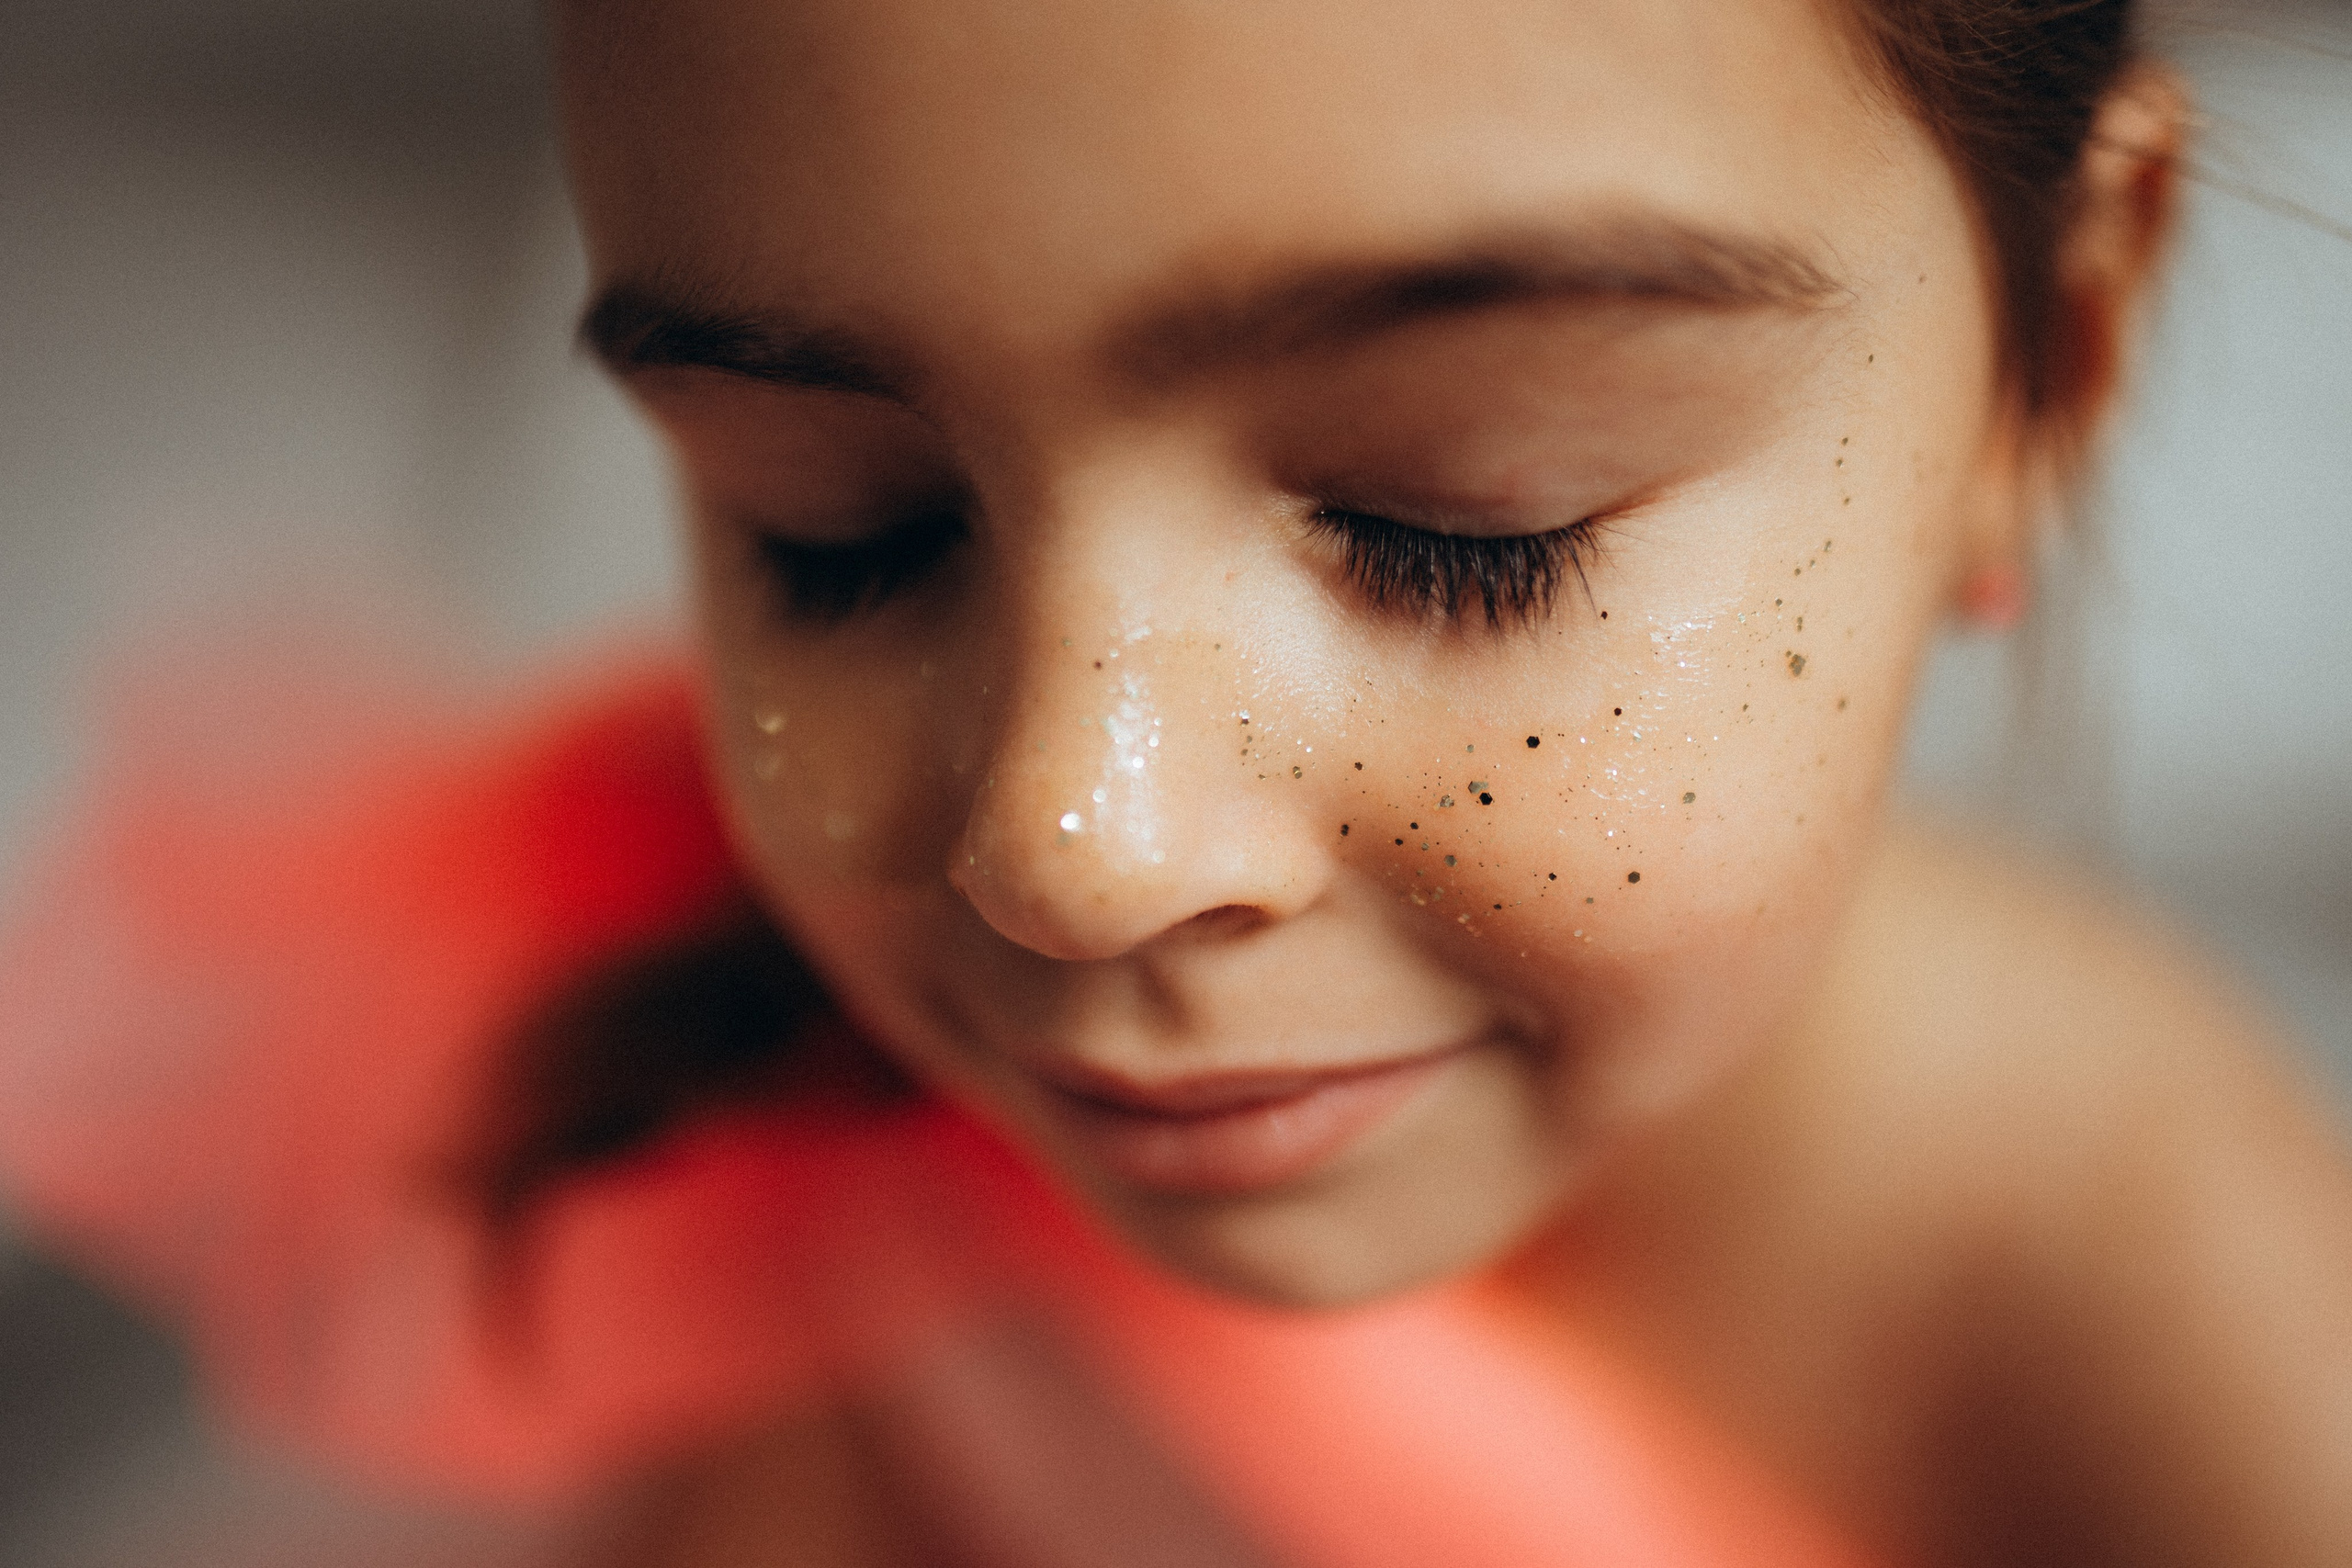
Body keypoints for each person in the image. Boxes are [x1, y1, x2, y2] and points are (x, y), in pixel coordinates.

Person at [4, 0, 2349, 1563]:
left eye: (1459, 529)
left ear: (2054, 352)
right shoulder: (829, 1131)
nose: (1067, 841)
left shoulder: (2169, 1332)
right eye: (842, 535)